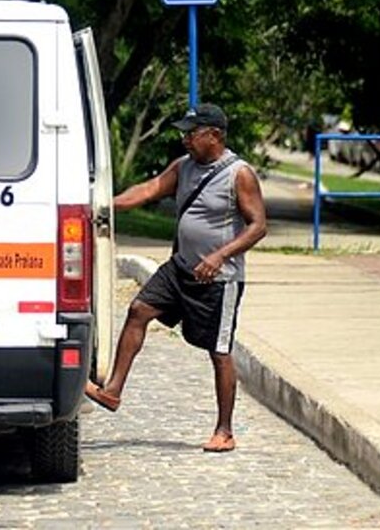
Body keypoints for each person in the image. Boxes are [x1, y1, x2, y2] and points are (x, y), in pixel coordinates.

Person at [85, 103, 267, 453]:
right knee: (138, 309)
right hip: (181, 267)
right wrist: (102, 205)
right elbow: (149, 189)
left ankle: (225, 431)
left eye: (192, 133)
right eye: (184, 133)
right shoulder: (183, 168)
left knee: (219, 350)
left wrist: (220, 255)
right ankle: (113, 391)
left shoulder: (239, 173)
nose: (185, 140)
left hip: (219, 279)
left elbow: (258, 226)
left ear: (214, 135)